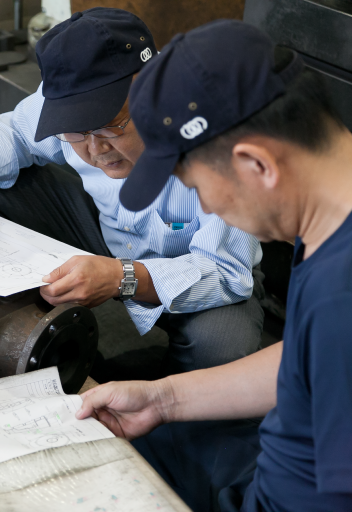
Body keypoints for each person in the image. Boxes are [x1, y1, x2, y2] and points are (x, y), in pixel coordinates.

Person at [78, 19, 352, 511]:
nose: (205, 210)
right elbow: (309, 362)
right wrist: (164, 400)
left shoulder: (341, 296)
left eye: (199, 187)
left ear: (257, 165)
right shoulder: (330, 215)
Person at [0, 8, 264, 374]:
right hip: (103, 234)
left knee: (224, 346)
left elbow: (225, 272)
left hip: (197, 268)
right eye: (76, 133)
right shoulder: (71, 94)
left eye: (110, 127)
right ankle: (49, 347)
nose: (95, 150)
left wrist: (123, 278)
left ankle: (161, 392)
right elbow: (18, 133)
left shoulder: (221, 136)